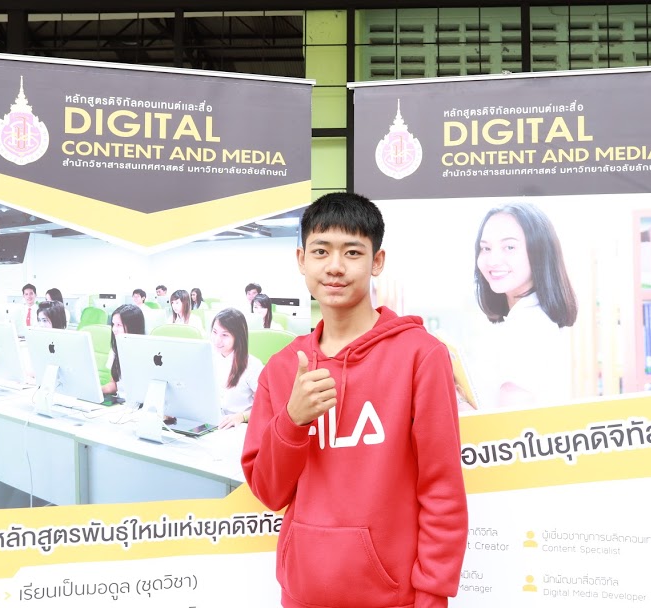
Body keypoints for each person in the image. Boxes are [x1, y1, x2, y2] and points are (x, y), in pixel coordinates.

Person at [242, 192, 467, 608]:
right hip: (302, 594)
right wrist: (293, 420)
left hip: (393, 598)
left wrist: (433, 595)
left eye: (352, 252)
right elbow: (269, 492)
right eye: (320, 251)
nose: (335, 266)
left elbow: (442, 489)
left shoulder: (421, 356)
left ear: (376, 261)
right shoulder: (282, 367)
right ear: (301, 260)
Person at [473, 202, 578, 408]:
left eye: (509, 247)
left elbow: (509, 424)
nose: (493, 260)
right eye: (486, 248)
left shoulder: (529, 327)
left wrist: (457, 399)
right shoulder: (523, 318)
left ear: (540, 252)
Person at [210, 308, 263, 430]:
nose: (217, 340)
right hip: (213, 422)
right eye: (214, 332)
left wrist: (241, 416)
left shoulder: (252, 365)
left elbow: (266, 405)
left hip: (240, 426)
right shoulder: (208, 357)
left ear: (237, 337)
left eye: (225, 335)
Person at [102, 304, 146, 395]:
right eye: (113, 324)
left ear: (133, 327)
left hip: (139, 401)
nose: (114, 329)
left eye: (119, 325)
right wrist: (97, 391)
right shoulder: (115, 349)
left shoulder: (146, 352)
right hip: (120, 400)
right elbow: (114, 384)